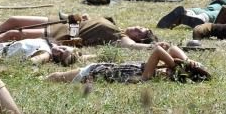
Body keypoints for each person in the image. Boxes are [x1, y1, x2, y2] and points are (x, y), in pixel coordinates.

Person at [46, 43, 209, 85]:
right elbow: (172, 49)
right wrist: (186, 61)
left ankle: (40, 79)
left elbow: (158, 51)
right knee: (56, 77)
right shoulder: (156, 72)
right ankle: (39, 78)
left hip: (93, 73)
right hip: (97, 68)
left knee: (57, 77)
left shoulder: (147, 77)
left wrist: (176, 65)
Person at [0, 14, 158, 49]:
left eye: (139, 33)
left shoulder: (119, 38)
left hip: (64, 35)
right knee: (14, 20)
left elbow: (134, 47)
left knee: (12, 34)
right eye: (140, 27)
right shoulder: (114, 24)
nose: (136, 28)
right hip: (64, 22)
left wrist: (157, 46)